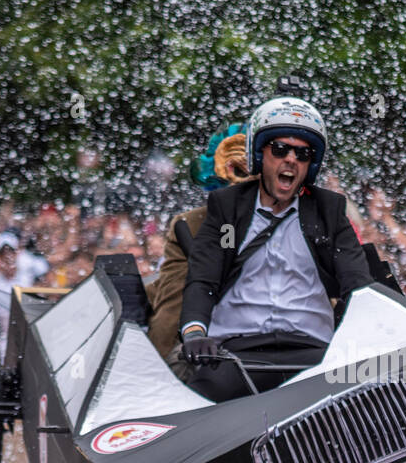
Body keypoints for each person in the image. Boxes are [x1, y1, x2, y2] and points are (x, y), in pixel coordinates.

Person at [178, 96, 372, 402]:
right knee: (193, 409)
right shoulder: (228, 209)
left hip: (314, 356)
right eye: (280, 149)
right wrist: (194, 333)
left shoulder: (329, 211)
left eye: (303, 153)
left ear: (311, 164)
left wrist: (365, 338)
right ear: (259, 155)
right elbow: (204, 279)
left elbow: (358, 285)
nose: (291, 159)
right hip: (234, 355)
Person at [145, 123, 256, 376]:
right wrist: (157, 379)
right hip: (217, 357)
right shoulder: (192, 227)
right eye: (239, 172)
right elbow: (171, 313)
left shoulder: (307, 218)